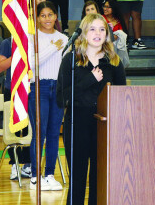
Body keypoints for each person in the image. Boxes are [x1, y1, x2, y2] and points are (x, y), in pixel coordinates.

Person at [57, 13, 126, 204]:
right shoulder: (71, 60)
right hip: (77, 124)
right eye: (93, 29)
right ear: (84, 33)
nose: (98, 33)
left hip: (105, 126)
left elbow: (123, 96)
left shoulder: (114, 62)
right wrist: (89, 80)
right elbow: (61, 97)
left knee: (99, 178)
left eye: (102, 29)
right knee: (78, 179)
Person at [27, 1, 67, 191]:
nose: (47, 19)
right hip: (39, 87)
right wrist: (53, 47)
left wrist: (58, 45)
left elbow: (65, 67)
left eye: (50, 15)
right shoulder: (32, 37)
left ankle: (50, 174)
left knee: (53, 134)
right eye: (43, 15)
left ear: (56, 16)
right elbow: (32, 63)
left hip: (58, 88)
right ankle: (35, 175)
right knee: (39, 133)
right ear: (37, 18)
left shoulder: (64, 39)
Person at [0, 37, 31, 180]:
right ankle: (15, 164)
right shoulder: (7, 42)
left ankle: (28, 164)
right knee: (13, 129)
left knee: (30, 129)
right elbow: (0, 67)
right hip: (12, 89)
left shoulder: (36, 40)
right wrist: (17, 54)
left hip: (31, 89)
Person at [103, 0, 129, 67]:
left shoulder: (119, 21)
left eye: (108, 7)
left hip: (116, 48)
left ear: (114, 8)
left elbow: (121, 35)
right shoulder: (101, 19)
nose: (105, 8)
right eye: (104, 6)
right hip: (104, 47)